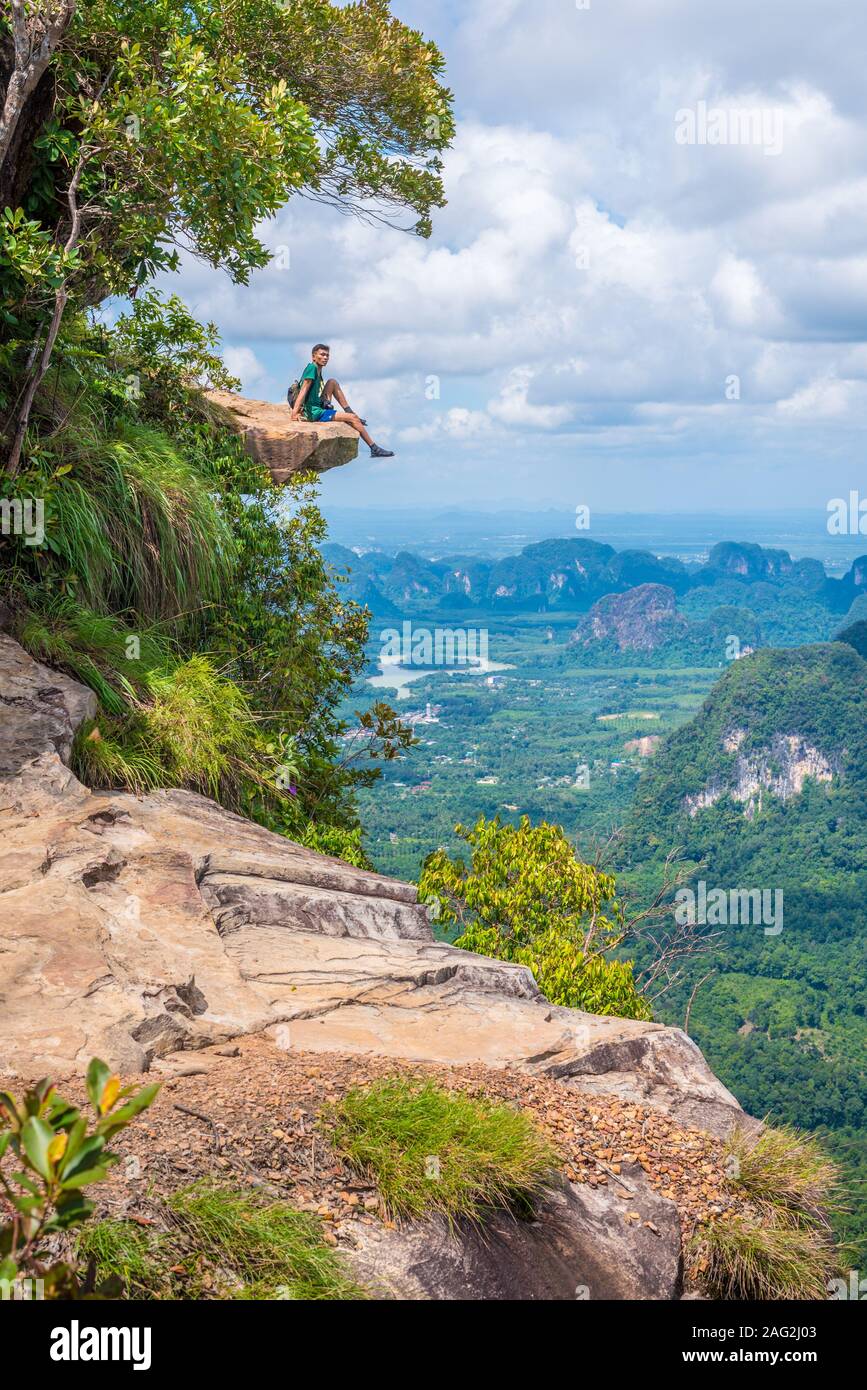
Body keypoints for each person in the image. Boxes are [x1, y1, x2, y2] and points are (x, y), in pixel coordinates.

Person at [290, 344, 394, 458]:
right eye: (322, 355)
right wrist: (295, 412)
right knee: (352, 419)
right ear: (313, 357)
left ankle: (350, 411)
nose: (325, 358)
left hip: (317, 405)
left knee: (332, 382)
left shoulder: (318, 369)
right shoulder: (312, 368)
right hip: (314, 413)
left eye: (327, 355)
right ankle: (374, 449)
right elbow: (304, 389)